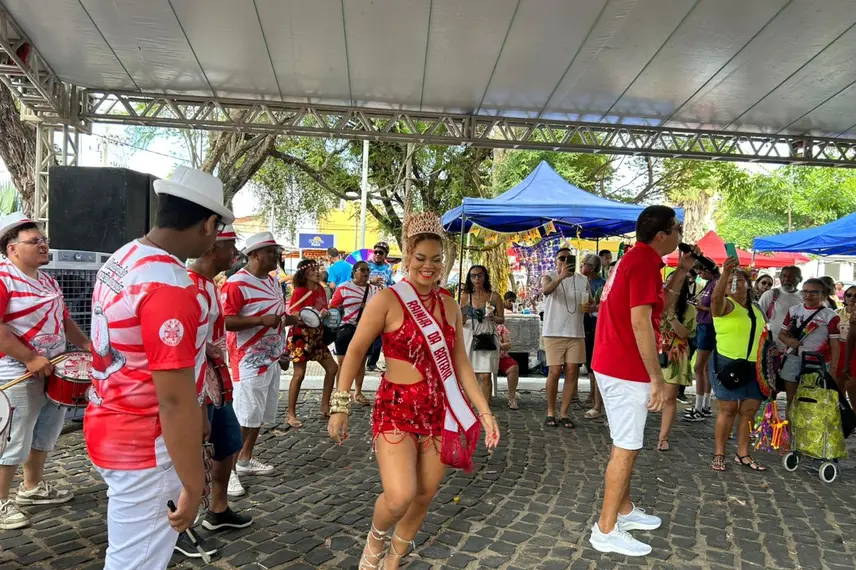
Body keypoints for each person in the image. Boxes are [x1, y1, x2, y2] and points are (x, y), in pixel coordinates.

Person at [327, 211, 499, 570]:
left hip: (438, 411)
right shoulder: (387, 300)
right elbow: (355, 351)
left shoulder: (449, 305)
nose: (428, 267)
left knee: (424, 493)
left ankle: (393, 560)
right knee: (400, 494)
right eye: (421, 258)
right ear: (406, 257)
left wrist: (484, 411)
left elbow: (461, 364)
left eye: (436, 260)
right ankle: (374, 544)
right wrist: (340, 404)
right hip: (396, 408)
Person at [85, 167, 233, 569]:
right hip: (145, 444)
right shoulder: (170, 285)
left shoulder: (123, 257)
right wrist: (192, 482)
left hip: (110, 424)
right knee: (136, 562)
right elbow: (173, 399)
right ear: (208, 224)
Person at [589, 205, 695, 556]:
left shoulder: (639, 259)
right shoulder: (644, 262)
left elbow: (657, 310)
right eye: (677, 228)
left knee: (627, 442)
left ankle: (624, 509)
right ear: (662, 235)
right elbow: (639, 322)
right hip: (624, 367)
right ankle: (605, 529)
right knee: (627, 446)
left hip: (613, 362)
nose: (681, 234)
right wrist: (656, 378)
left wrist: (681, 272)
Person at [0, 213, 90, 530]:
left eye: (44, 240)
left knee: (44, 434)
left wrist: (87, 345)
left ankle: (32, 488)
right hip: (16, 371)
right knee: (13, 438)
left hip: (52, 369)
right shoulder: (2, 278)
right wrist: (28, 357)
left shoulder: (49, 280)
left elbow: (64, 321)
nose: (43, 245)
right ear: (12, 249)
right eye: (35, 241)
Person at [185, 224, 253, 537]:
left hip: (216, 382)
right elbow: (187, 355)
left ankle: (219, 508)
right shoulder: (189, 289)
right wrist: (198, 407)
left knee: (227, 445)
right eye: (232, 248)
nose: (236, 254)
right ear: (214, 249)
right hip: (198, 388)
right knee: (193, 452)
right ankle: (178, 526)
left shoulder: (210, 285)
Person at [222, 232, 297, 474]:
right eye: (271, 251)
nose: (277, 255)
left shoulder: (273, 280)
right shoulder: (236, 284)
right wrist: (260, 320)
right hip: (248, 361)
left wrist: (285, 343)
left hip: (272, 359)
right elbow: (226, 321)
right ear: (254, 254)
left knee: (259, 415)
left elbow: (277, 318)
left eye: (277, 251)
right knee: (244, 417)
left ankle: (244, 461)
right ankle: (228, 472)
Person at [709, 257, 767, 472]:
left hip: (754, 366)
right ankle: (719, 452)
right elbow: (715, 301)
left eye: (739, 279)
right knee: (728, 409)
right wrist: (725, 273)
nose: (735, 282)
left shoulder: (756, 308)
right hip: (728, 363)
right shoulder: (725, 305)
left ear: (748, 283)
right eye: (731, 280)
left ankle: (743, 453)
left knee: (749, 410)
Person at [285, 259, 338, 426]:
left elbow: (325, 309)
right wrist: (309, 316)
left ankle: (324, 406)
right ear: (304, 273)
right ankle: (290, 413)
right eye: (313, 270)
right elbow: (293, 313)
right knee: (299, 374)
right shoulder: (299, 291)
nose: (317, 272)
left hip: (317, 336)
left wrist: (324, 314)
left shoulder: (321, 289)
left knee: (332, 368)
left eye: (318, 269)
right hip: (301, 335)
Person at [778, 278, 840, 418]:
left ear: (823, 294)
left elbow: (835, 344)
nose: (808, 295)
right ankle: (791, 436)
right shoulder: (793, 310)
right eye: (805, 291)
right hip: (793, 359)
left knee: (813, 400)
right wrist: (789, 341)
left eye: (813, 292)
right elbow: (781, 334)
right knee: (791, 400)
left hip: (818, 362)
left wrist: (834, 369)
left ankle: (809, 436)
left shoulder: (830, 316)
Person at [541, 248, 589, 428]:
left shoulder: (583, 280)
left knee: (572, 371)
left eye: (569, 258)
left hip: (576, 331)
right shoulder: (550, 276)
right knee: (554, 371)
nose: (565, 261)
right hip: (554, 331)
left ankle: (564, 413)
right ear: (556, 261)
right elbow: (546, 291)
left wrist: (590, 307)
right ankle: (550, 412)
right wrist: (561, 277)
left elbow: (588, 301)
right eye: (562, 258)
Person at [656, 276, 696, 452]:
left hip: (675, 353)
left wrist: (672, 317)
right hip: (654, 351)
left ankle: (663, 437)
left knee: (670, 397)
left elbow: (686, 333)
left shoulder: (689, 309)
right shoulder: (656, 303)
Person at [330, 261, 377, 406]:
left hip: (365, 330)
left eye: (368, 270)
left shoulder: (374, 289)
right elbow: (333, 307)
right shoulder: (344, 288)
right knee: (343, 362)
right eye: (362, 270)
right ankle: (340, 392)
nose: (366, 273)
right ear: (354, 272)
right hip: (345, 329)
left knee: (361, 362)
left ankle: (358, 392)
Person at [461, 265, 504, 403]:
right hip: (469, 335)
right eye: (473, 276)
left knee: (486, 375)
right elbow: (460, 321)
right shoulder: (465, 297)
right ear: (469, 278)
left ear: (485, 276)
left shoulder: (494, 296)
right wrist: (463, 314)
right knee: (471, 374)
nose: (477, 278)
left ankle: (485, 410)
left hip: (488, 335)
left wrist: (493, 317)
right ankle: (470, 409)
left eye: (479, 275)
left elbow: (501, 319)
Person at [682, 265, 719, 422]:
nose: (700, 275)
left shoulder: (716, 284)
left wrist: (700, 307)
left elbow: (716, 309)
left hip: (709, 326)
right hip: (704, 325)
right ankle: (704, 405)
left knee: (699, 367)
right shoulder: (710, 284)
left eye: (702, 272)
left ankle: (699, 407)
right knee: (703, 369)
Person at [757, 265, 803, 388]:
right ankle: (771, 407)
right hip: (772, 348)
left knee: (791, 385)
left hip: (793, 350)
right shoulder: (771, 294)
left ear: (800, 279)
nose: (787, 279)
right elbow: (759, 318)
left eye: (792, 276)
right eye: (784, 275)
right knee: (771, 384)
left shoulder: (804, 297)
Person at [581, 254, 606, 419]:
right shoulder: (579, 281)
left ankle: (593, 395)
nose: (581, 266)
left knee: (593, 361)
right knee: (587, 359)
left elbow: (602, 303)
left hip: (595, 324)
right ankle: (591, 394)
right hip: (581, 321)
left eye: (583, 264)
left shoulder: (602, 284)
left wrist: (594, 306)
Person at [366, 242, 394, 372]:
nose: (377, 254)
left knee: (379, 336)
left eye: (380, 252)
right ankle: (362, 358)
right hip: (366, 304)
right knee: (366, 333)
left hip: (383, 304)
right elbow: (357, 280)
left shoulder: (388, 269)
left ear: (385, 255)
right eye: (375, 251)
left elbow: (389, 284)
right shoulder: (366, 265)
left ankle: (372, 362)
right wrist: (369, 281)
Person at [837, 286, 856, 406]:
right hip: (840, 351)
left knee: (852, 386)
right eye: (849, 295)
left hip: (854, 352)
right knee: (839, 388)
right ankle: (844, 417)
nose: (852, 298)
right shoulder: (836, 313)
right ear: (844, 297)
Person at [496, 323, 520, 410]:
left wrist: (499, 344)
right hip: (481, 357)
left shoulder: (500, 327)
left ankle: (512, 398)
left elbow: (508, 344)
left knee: (513, 367)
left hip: (500, 357)